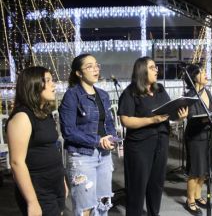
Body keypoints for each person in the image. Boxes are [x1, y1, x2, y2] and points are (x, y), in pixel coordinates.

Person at [118, 56, 188, 216]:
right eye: (152, 67)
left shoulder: (160, 89)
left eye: (156, 67)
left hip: (161, 142)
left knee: (156, 185)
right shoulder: (131, 92)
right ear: (142, 71)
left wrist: (180, 116)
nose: (156, 70)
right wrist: (152, 120)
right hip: (139, 146)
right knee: (137, 187)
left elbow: (169, 114)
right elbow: (126, 120)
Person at [59, 54, 119, 216]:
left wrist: (111, 138)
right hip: (82, 156)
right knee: (85, 207)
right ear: (79, 73)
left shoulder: (103, 95)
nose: (95, 69)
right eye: (89, 66)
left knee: (103, 203)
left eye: (97, 65)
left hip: (104, 156)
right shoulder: (72, 96)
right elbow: (68, 131)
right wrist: (98, 141)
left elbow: (108, 123)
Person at [7, 66, 67, 216]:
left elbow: (51, 149)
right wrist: (32, 202)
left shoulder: (45, 114)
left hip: (55, 183)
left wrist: (62, 182)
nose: (53, 85)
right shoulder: (22, 117)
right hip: (38, 188)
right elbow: (16, 163)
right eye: (47, 81)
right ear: (33, 85)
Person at [184, 63, 212, 216]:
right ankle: (190, 200)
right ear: (194, 77)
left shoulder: (207, 92)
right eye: (202, 72)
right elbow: (191, 118)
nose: (205, 74)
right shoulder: (190, 95)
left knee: (204, 170)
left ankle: (197, 195)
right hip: (195, 136)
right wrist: (207, 119)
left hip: (208, 134)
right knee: (195, 170)